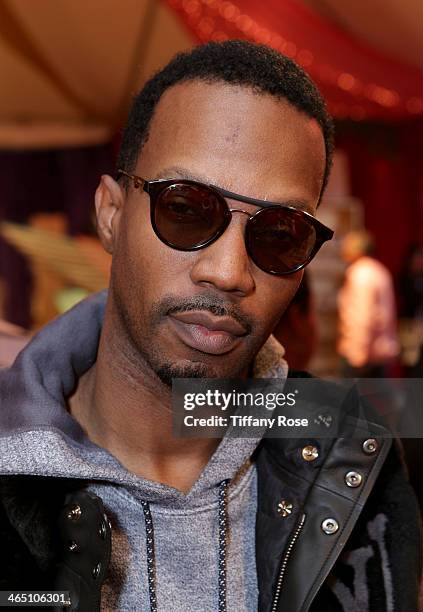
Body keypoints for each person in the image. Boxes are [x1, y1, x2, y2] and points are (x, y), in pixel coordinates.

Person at [0, 41, 420, 612]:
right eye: (186, 208)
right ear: (111, 215)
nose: (227, 273)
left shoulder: (351, 453)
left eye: (279, 235)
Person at [337, 230, 400, 377]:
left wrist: (358, 353)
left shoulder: (360, 273)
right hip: (381, 351)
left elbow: (362, 316)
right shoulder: (380, 270)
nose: (342, 249)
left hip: (362, 354)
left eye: (346, 245)